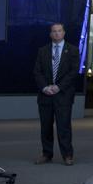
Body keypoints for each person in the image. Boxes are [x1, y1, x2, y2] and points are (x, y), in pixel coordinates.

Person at [34, 23, 80, 165]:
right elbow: (37, 72)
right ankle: (47, 154)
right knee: (46, 126)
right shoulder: (43, 51)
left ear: (64, 33)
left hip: (63, 94)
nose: (57, 34)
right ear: (50, 34)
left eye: (59, 31)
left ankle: (67, 155)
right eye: (54, 31)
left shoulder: (72, 50)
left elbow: (73, 72)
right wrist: (44, 88)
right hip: (45, 95)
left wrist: (59, 87)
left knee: (63, 126)